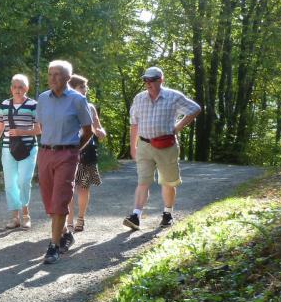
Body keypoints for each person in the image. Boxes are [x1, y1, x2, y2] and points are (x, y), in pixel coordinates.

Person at [123, 66, 201, 230]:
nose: (148, 83)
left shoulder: (173, 97)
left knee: (168, 181)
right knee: (143, 181)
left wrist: (178, 127)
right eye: (145, 80)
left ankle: (167, 213)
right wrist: (133, 146)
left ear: (161, 80)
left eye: (151, 80)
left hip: (166, 146)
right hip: (144, 145)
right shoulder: (139, 98)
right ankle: (136, 215)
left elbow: (195, 109)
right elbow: (134, 123)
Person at [35, 60, 92, 264]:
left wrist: (75, 150)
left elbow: (88, 131)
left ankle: (53, 246)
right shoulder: (42, 98)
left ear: (68, 78)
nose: (53, 78)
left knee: (60, 197)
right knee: (49, 199)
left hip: (67, 154)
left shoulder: (77, 100)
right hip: (45, 153)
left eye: (57, 74)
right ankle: (65, 234)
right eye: (50, 74)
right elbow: (41, 125)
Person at [60, 75, 106, 251]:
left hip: (87, 151)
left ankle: (81, 219)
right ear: (71, 88)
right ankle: (69, 223)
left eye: (85, 88)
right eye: (81, 87)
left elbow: (98, 127)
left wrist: (100, 132)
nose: (84, 91)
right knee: (69, 188)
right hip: (69, 150)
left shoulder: (91, 107)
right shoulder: (65, 106)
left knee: (83, 187)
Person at [0, 74, 38, 230]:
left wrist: (20, 132)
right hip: (7, 147)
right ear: (11, 88)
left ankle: (26, 214)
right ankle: (15, 217)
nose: (18, 90)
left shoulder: (33, 105)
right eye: (15, 87)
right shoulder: (5, 104)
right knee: (10, 183)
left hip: (29, 148)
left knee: (23, 181)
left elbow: (39, 129)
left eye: (21, 87)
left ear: (27, 88)